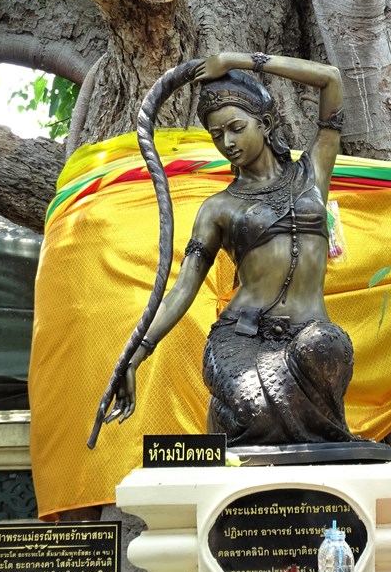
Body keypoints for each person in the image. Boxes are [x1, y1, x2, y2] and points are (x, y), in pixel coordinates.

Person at [103, 51, 360, 446]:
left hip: (311, 332)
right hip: (241, 338)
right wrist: (135, 353)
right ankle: (226, 419)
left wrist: (236, 60)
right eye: (217, 135)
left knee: (324, 347)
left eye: (237, 127)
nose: (228, 142)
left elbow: (330, 78)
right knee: (251, 406)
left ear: (266, 123)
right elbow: (184, 287)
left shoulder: (312, 174)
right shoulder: (218, 208)